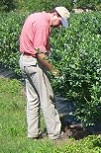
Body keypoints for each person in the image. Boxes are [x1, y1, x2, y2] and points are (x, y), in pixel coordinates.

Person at [19, 6, 71, 140]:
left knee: (33, 99)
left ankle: (33, 133)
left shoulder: (35, 16)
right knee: (47, 98)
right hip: (34, 63)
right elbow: (40, 53)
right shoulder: (43, 25)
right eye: (60, 22)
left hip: (24, 61)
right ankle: (55, 135)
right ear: (55, 15)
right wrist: (54, 70)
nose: (59, 26)